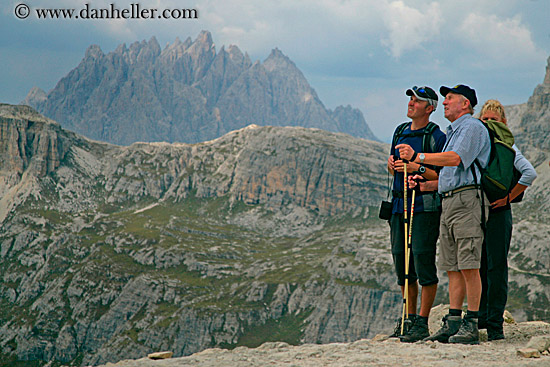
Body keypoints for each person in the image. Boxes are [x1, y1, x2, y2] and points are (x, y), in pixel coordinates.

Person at [397, 84, 491, 345]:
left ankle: (471, 323)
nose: (445, 103)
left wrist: (419, 156)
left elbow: (455, 160)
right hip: (449, 200)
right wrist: (424, 184)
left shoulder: (471, 127)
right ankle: (453, 321)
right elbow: (449, 176)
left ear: (465, 104)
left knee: (469, 264)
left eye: (450, 98)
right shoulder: (453, 131)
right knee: (452, 266)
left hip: (466, 201)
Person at [387, 86, 446, 342]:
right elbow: (395, 171)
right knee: (403, 264)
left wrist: (416, 168)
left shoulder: (436, 137)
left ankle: (422, 322)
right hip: (400, 207)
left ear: (429, 108)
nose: (411, 102)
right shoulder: (399, 132)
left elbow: (444, 175)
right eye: (411, 99)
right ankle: (408, 319)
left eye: (418, 100)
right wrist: (392, 166)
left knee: (422, 261)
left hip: (424, 207)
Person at [477, 99, 537, 341]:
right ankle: (481, 317)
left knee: (496, 267)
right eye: (485, 119)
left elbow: (530, 173)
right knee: (480, 265)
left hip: (498, 213)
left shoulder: (508, 147)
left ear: (503, 123)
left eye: (494, 120)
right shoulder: (482, 144)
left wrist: (508, 198)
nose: (489, 123)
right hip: (482, 212)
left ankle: (494, 324)